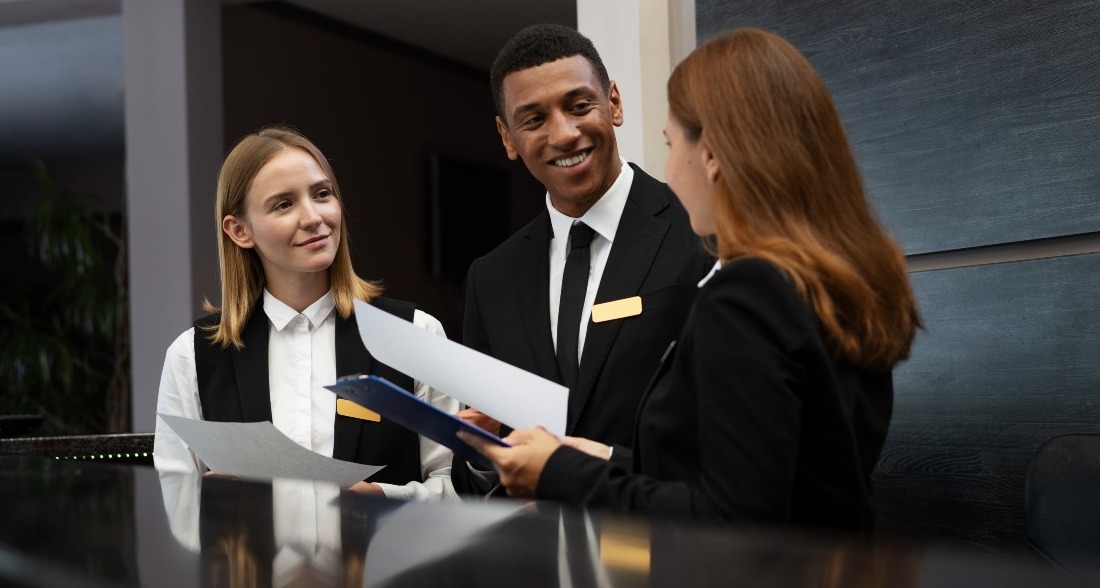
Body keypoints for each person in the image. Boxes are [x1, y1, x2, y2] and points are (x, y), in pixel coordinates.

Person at [461, 28, 922, 531]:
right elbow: (762, 480)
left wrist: (561, 471)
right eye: (534, 118)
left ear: (712, 157)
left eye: (670, 143)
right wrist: (586, 458)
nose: (669, 165)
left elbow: (732, 516)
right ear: (507, 134)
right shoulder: (831, 271)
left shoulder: (749, 288)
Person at [452, 24, 711, 495]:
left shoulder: (700, 231)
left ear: (613, 102)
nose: (564, 134)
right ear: (506, 137)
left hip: (673, 548)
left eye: (579, 106)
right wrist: (483, 456)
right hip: (539, 560)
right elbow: (480, 477)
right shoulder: (491, 278)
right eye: (533, 120)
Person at [154, 126, 457, 501]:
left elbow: (457, 486)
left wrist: (382, 496)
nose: (313, 217)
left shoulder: (416, 335)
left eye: (322, 194)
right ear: (239, 230)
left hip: (385, 559)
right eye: (283, 204)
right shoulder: (192, 356)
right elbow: (173, 502)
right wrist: (207, 504)